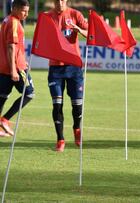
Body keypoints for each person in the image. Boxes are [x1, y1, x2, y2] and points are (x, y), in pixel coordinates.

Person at [47, 0, 88, 152]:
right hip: (55, 69)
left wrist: (79, 30)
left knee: (77, 106)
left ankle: (77, 129)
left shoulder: (75, 14)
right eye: (57, 0)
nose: (60, 2)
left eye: (62, 0)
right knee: (57, 105)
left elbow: (90, 34)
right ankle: (60, 139)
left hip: (74, 67)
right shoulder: (47, 17)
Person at [0, 0, 33, 137]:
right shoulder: (14, 22)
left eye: (27, 11)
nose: (26, 14)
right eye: (23, 10)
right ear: (14, 8)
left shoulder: (6, 20)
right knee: (29, 93)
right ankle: (5, 119)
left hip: (3, 66)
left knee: (2, 96)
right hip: (15, 67)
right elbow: (11, 47)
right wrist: (14, 69)